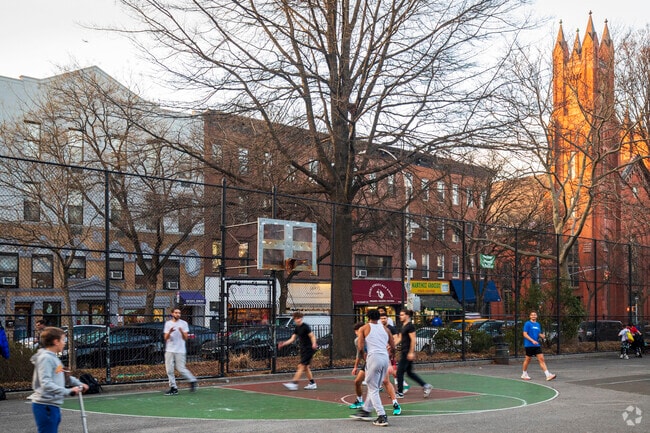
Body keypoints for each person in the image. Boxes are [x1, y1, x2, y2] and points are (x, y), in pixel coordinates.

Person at [30, 326, 89, 433]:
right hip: (45, 404)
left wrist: (80, 383)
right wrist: (69, 391)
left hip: (53, 404)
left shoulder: (54, 358)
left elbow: (63, 375)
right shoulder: (46, 359)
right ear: (56, 341)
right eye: (63, 340)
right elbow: (46, 383)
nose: (64, 343)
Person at [350, 308, 395, 426]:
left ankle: (382, 415)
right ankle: (366, 410)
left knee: (372, 388)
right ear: (379, 318)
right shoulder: (385, 329)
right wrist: (391, 358)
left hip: (373, 357)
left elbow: (360, 347)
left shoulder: (364, 328)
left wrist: (364, 358)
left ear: (367, 317)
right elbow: (393, 345)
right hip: (384, 358)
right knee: (374, 386)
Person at [395, 309, 432, 398]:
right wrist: (390, 345)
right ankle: (426, 386)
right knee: (409, 373)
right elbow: (399, 338)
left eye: (402, 315)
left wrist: (411, 352)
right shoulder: (403, 326)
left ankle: (400, 392)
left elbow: (413, 339)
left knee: (399, 372)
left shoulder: (410, 326)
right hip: (404, 351)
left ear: (407, 316)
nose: (400, 316)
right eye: (400, 315)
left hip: (407, 352)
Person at [279, 311, 318, 390]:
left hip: (309, 349)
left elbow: (312, 336)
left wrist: (314, 343)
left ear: (301, 318)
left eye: (299, 318)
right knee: (306, 367)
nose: (298, 320)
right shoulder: (297, 328)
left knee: (301, 366)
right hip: (303, 349)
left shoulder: (305, 327)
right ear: (294, 319)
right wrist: (283, 344)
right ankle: (312, 383)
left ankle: (294, 383)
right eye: (296, 319)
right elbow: (292, 339)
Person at [163, 308, 198, 395]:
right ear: (172, 314)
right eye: (176, 313)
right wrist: (170, 332)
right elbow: (165, 338)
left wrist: (182, 332)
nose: (178, 314)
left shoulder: (184, 323)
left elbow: (185, 338)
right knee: (169, 370)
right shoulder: (168, 324)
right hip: (169, 350)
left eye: (179, 313)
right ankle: (173, 388)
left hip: (180, 350)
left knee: (181, 368)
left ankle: (192, 380)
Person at [521, 311, 556, 380]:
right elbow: (525, 334)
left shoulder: (537, 324)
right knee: (528, 359)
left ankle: (547, 375)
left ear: (536, 316)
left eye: (535, 315)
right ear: (530, 316)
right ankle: (524, 374)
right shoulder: (527, 324)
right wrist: (532, 340)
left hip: (536, 345)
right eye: (532, 315)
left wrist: (542, 336)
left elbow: (538, 333)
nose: (533, 316)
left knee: (541, 359)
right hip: (529, 345)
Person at [380, 311, 408, 393]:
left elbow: (396, 338)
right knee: (382, 368)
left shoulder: (391, 328)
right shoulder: (379, 328)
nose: (383, 320)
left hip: (389, 352)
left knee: (392, 370)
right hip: (382, 351)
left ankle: (403, 384)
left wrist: (390, 347)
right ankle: (379, 385)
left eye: (384, 318)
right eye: (381, 319)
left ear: (387, 319)